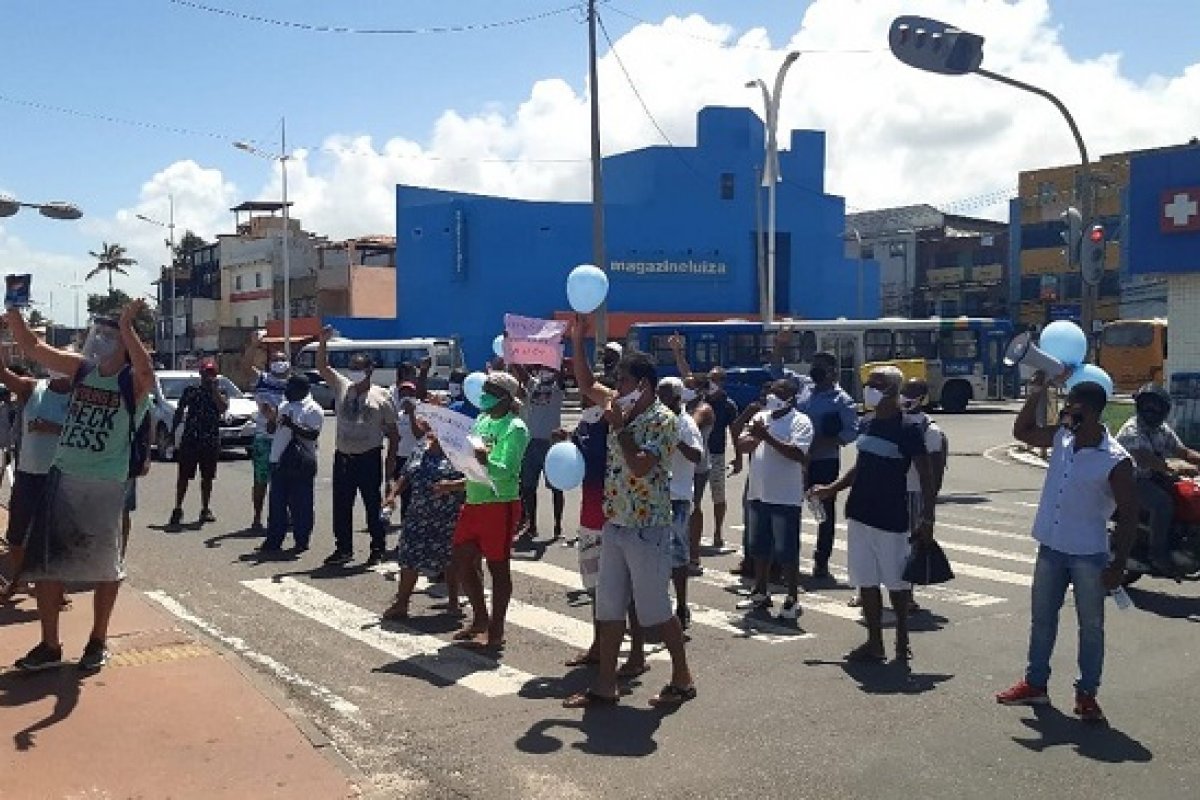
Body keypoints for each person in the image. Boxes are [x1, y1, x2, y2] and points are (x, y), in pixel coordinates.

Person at [7, 303, 155, 673]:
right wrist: (13, 314)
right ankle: (49, 644)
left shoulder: (131, 384)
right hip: (62, 476)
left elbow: (146, 371)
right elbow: (35, 349)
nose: (100, 341)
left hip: (105, 483)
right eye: (99, 334)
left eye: (110, 337)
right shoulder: (82, 370)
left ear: (125, 343)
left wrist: (126, 325)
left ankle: (97, 641)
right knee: (45, 565)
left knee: (105, 567)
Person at [997, 374, 1139, 723]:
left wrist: (1118, 563)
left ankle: (1087, 693)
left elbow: (1130, 515)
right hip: (1051, 547)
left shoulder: (1115, 460)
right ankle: (1035, 684)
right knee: (1042, 620)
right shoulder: (1062, 437)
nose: (1064, 410)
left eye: (1070, 404)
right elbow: (1022, 432)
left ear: (1088, 411)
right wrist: (1036, 393)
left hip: (1089, 554)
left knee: (1091, 627)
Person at [563, 335, 695, 709]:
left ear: (644, 385)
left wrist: (619, 429)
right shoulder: (617, 405)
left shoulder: (662, 421)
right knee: (608, 607)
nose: (615, 386)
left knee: (655, 610)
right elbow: (587, 384)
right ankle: (606, 685)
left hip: (647, 527)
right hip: (615, 522)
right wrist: (577, 339)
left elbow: (640, 467)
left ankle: (682, 677)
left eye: (622, 380)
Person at [810, 366, 937, 663]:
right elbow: (861, 465)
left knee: (896, 582)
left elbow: (926, 475)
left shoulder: (908, 428)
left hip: (891, 515)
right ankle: (874, 642)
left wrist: (927, 518)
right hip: (859, 512)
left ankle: (902, 641)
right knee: (865, 579)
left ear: (893, 390)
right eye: (869, 383)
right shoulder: (867, 423)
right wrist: (832, 488)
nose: (869, 388)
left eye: (877, 384)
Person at [445, 371, 529, 651]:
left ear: (505, 397)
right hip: (474, 500)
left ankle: (496, 631)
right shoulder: (481, 420)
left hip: (499, 504)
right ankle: (480, 618)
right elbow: (471, 463)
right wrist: (456, 482)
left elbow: (508, 471)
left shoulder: (514, 427)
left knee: (498, 568)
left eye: (491, 391)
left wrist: (485, 460)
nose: (484, 395)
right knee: (460, 559)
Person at [317, 328, 400, 567]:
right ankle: (343, 548)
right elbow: (323, 367)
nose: (354, 373)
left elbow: (393, 434)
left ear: (369, 371)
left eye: (359, 369)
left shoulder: (381, 396)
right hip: (343, 457)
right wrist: (322, 343)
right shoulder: (343, 386)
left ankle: (377, 547)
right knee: (341, 505)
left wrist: (389, 466)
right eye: (351, 368)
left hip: (368, 457)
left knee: (372, 504)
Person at [736, 379, 813, 620]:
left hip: (785, 497)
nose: (772, 395)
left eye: (779, 391)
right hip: (759, 492)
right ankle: (760, 591)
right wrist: (756, 436)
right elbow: (742, 444)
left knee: (786, 550)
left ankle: (791, 598)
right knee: (759, 547)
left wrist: (766, 436)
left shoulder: (801, 421)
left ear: (791, 396)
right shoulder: (762, 416)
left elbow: (798, 454)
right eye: (771, 390)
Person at [0, 355, 72, 600]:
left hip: (62, 477)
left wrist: (51, 427)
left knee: (58, 539)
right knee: (16, 535)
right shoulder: (33, 388)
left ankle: (56, 590)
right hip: (29, 474)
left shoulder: (81, 398)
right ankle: (20, 579)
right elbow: (4, 375)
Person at [382, 424, 466, 620]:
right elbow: (406, 475)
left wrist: (451, 487)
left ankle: (453, 603)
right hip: (417, 514)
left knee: (450, 560)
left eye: (435, 428)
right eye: (428, 427)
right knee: (409, 556)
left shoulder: (457, 452)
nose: (430, 431)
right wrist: (393, 494)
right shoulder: (420, 447)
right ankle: (402, 603)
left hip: (447, 516)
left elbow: (472, 480)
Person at [1116, 383, 1200, 575]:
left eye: (1156, 406)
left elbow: (1183, 451)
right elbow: (1143, 457)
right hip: (1131, 481)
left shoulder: (1162, 429)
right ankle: (1158, 555)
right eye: (1148, 405)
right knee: (1162, 504)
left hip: (1154, 478)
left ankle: (1182, 540)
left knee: (1188, 493)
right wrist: (1171, 467)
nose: (1152, 410)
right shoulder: (1132, 429)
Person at [796, 351, 859, 579]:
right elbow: (775, 371)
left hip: (824, 460)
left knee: (824, 512)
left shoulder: (842, 400)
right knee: (789, 506)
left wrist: (825, 441)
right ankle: (786, 557)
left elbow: (852, 431)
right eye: (814, 365)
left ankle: (821, 560)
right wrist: (780, 346)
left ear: (832, 371)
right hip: (796, 459)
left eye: (820, 367)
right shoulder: (804, 388)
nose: (815, 370)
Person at [657, 377, 704, 629]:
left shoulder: (685, 424)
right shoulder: (658, 419)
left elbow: (696, 455)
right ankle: (658, 608)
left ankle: (682, 606)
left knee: (677, 557)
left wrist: (676, 439)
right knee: (655, 556)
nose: (658, 399)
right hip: (655, 496)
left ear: (676, 398)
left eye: (663, 395)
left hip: (678, 499)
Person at [258, 375, 324, 554]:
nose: (286, 391)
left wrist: (292, 424)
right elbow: (272, 430)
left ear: (302, 389)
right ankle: (273, 540)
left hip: (301, 463)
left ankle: (301, 541)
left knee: (301, 504)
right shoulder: (284, 405)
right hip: (278, 460)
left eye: (290, 387)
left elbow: (312, 435)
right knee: (277, 504)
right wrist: (271, 418)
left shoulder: (313, 409)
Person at [241, 332, 292, 532]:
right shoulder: (263, 379)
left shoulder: (293, 383)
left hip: (286, 437)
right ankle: (257, 517)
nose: (279, 363)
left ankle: (285, 516)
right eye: (275, 360)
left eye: (282, 360)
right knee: (261, 481)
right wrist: (253, 346)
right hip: (264, 438)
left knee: (286, 481)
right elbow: (245, 368)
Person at [168, 359, 228, 526]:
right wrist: (172, 432)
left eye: (212, 373)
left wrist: (214, 391)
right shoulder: (191, 391)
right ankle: (178, 508)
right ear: (200, 374)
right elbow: (180, 411)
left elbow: (223, 408)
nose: (209, 376)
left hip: (210, 441)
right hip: (190, 439)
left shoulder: (221, 392)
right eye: (206, 373)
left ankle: (205, 508)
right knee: (183, 477)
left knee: (207, 477)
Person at [514, 363, 566, 539]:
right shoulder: (533, 385)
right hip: (530, 444)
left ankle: (558, 526)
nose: (545, 370)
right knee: (528, 488)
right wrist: (511, 348)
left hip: (551, 445)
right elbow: (520, 371)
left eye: (548, 367)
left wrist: (554, 356)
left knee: (556, 488)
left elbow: (560, 373)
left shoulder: (557, 388)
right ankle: (532, 525)